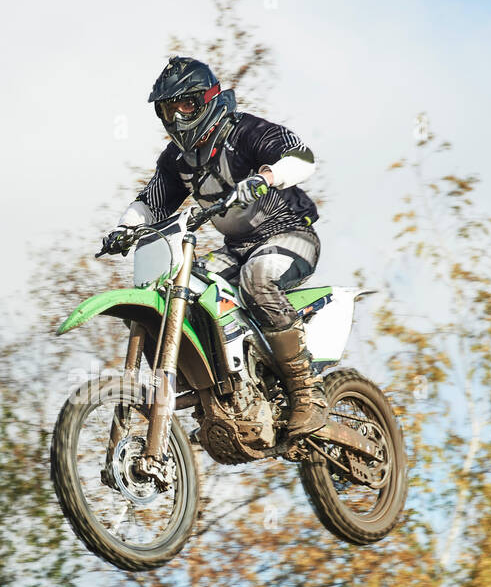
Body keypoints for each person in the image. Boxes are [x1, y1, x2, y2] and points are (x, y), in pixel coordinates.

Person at [104, 56, 327, 436]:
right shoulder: (177, 160)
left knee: (258, 278)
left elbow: (302, 156)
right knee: (178, 290)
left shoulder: (245, 132)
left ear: (207, 100)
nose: (177, 117)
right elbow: (152, 202)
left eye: (185, 105)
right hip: (237, 248)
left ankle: (309, 393)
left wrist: (267, 176)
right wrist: (125, 228)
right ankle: (212, 397)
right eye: (168, 110)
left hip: (290, 234)